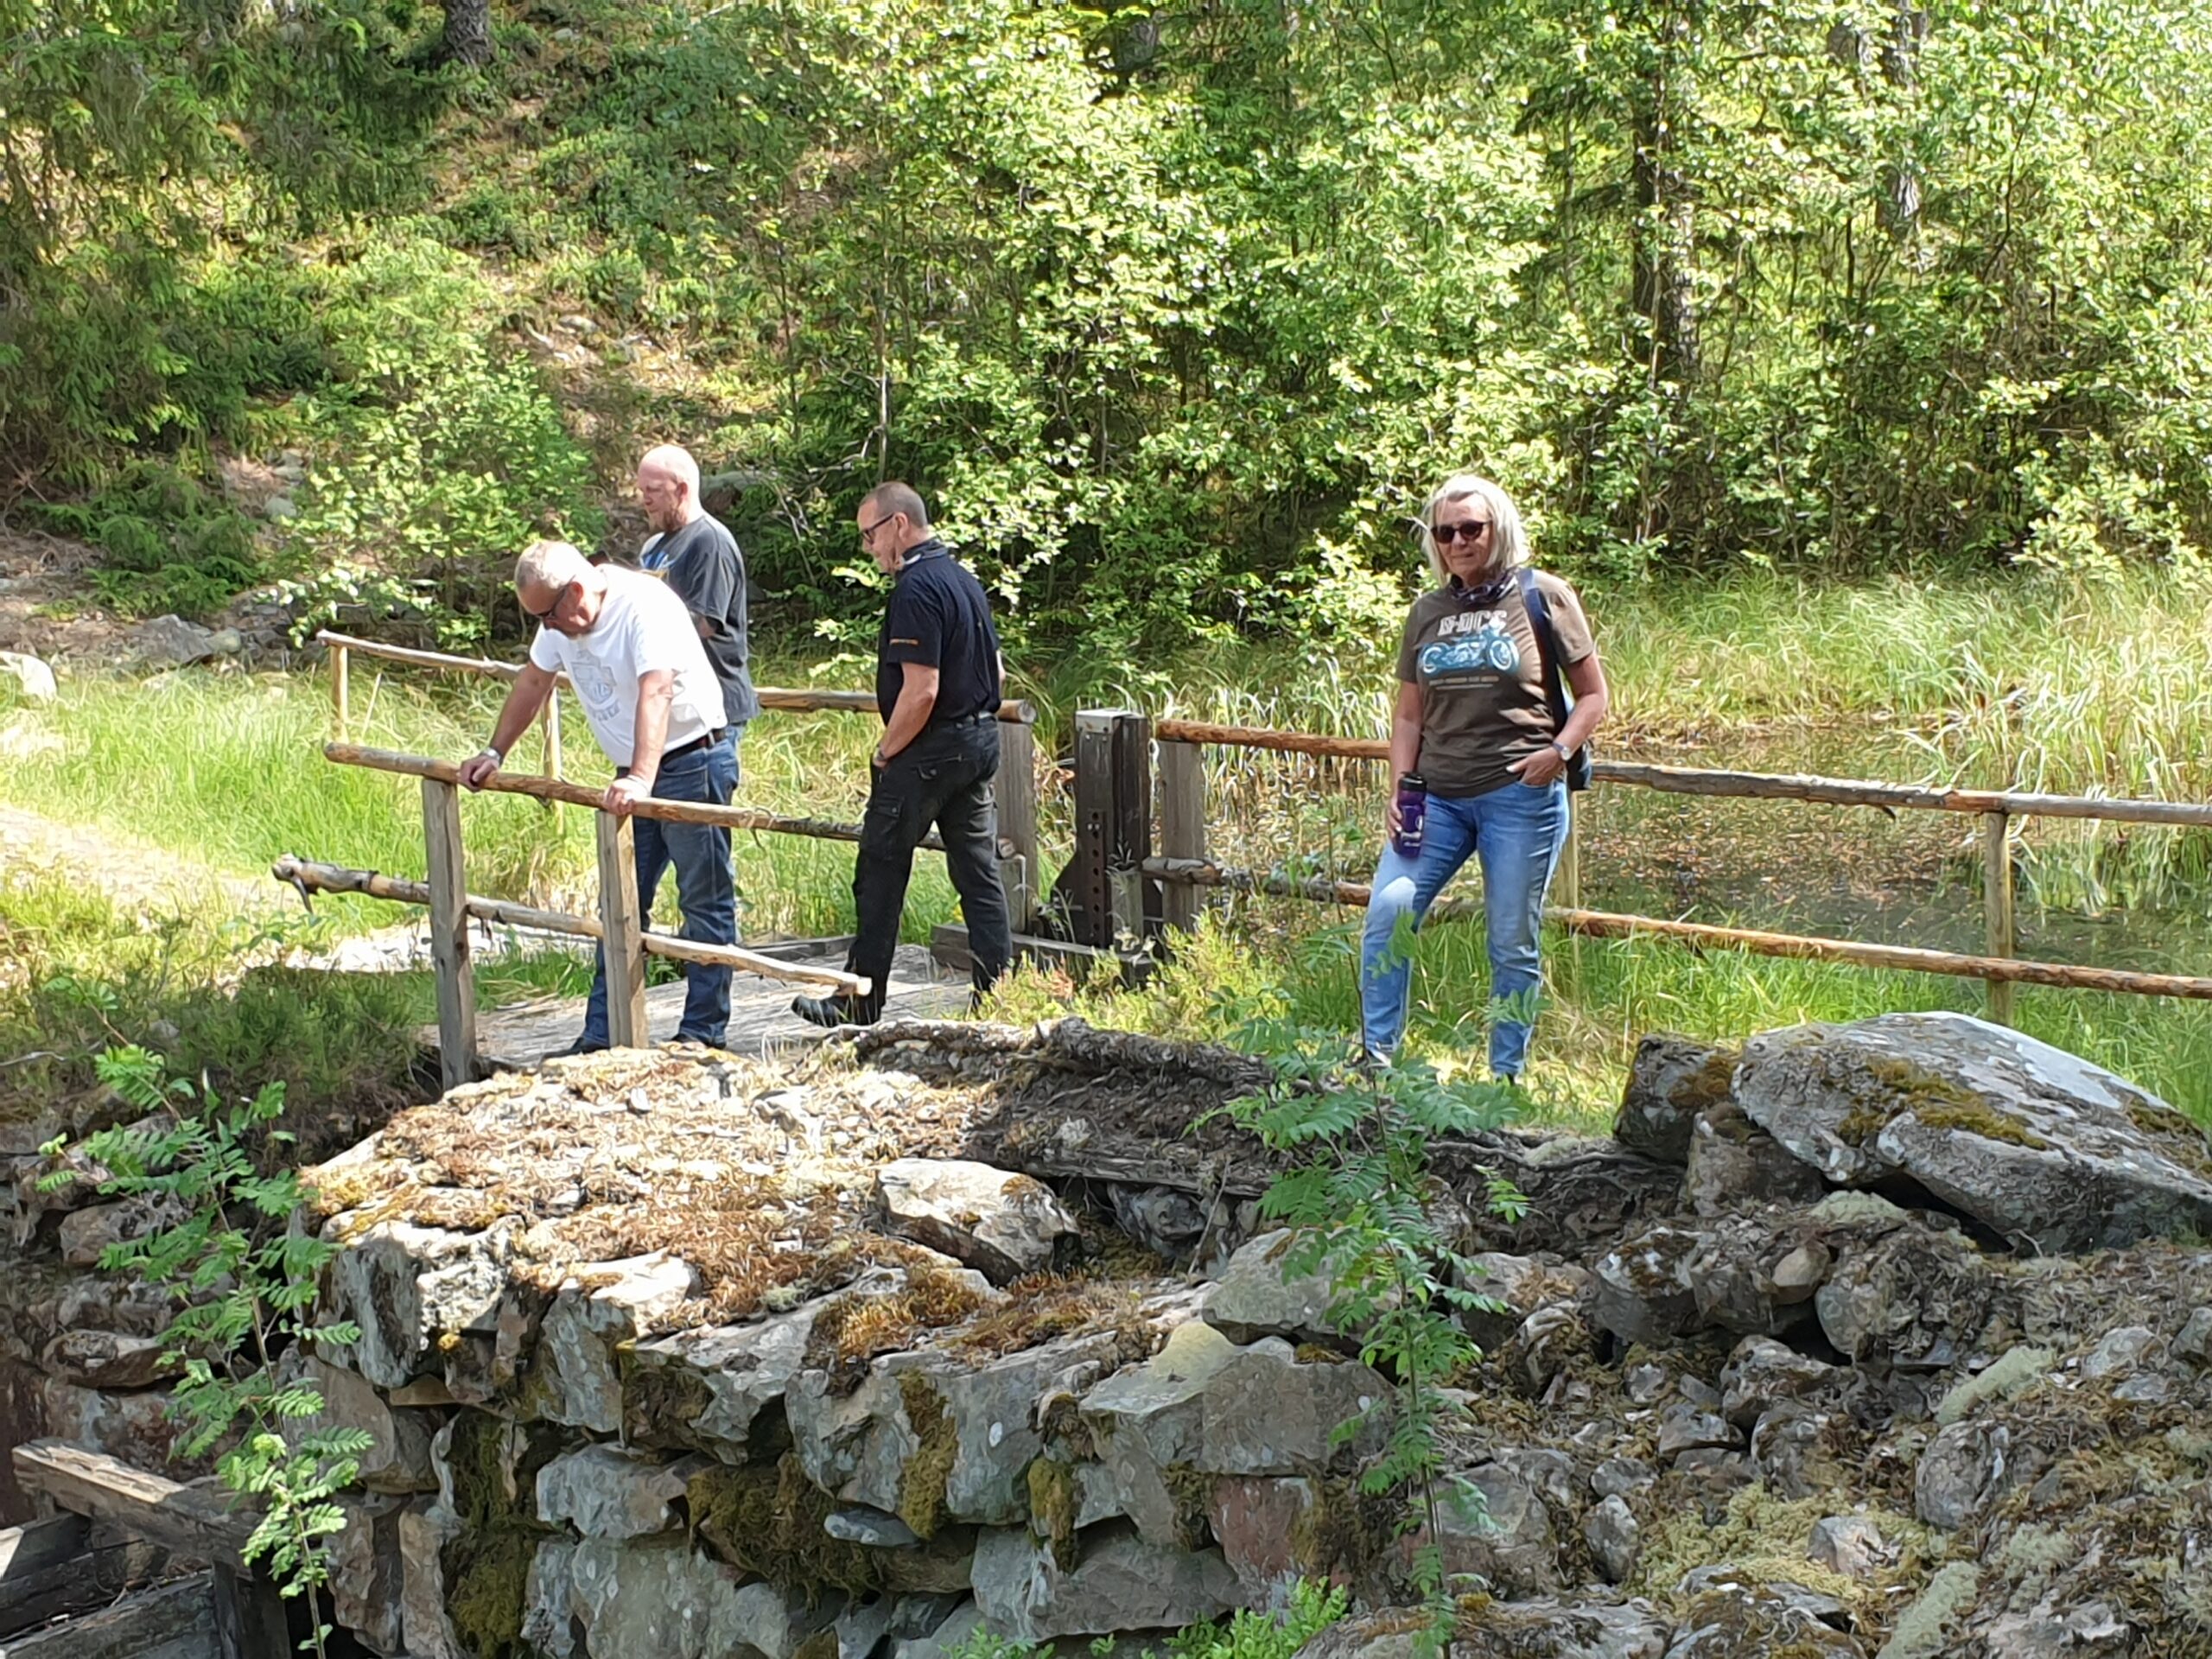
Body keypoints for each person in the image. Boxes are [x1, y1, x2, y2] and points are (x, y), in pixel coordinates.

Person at [1359, 474, 1610, 1080]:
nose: (1458, 542)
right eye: (1445, 533)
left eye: (1471, 529)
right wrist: (1399, 788)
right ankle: (1376, 1066)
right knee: (1389, 914)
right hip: (1436, 800)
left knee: (1510, 940)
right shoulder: (1427, 612)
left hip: (1519, 797)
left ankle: (1505, 1080)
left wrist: (1559, 752)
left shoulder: (1543, 595)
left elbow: (1594, 696)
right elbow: (1409, 716)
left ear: (1499, 530)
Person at [460, 539, 736, 1052]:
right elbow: (534, 681)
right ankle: (603, 1034)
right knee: (620, 904)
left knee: (703, 900)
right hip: (632, 772)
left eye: (548, 615)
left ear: (577, 591)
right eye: (538, 619)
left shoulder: (644, 606)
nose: (547, 627)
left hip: (692, 760)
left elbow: (657, 689)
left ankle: (702, 1033)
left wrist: (641, 778)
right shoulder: (557, 621)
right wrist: (494, 752)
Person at [791, 482, 1013, 1027]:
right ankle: (999, 996)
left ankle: (859, 1000)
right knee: (978, 874)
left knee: (880, 871)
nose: (869, 549)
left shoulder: (916, 588)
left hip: (929, 749)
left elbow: (922, 690)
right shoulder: (964, 580)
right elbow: (998, 671)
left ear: (898, 524)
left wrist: (886, 750)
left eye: (870, 535)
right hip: (979, 739)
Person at [634, 444, 758, 809]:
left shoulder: (709, 541)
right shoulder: (655, 546)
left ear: (683, 489)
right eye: (642, 490)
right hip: (670, 710)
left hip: (713, 711)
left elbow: (705, 623)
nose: (645, 500)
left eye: (653, 491)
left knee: (700, 831)